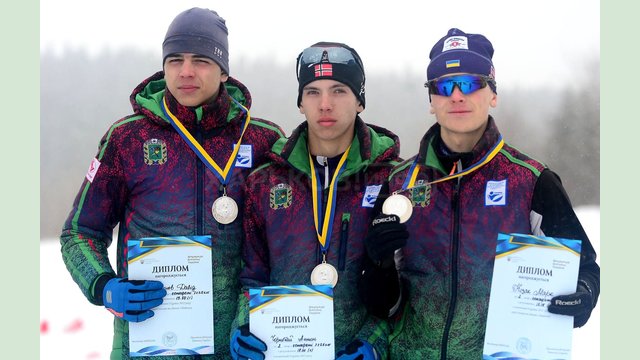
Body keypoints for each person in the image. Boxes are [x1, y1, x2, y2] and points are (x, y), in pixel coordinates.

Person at [359, 28, 600, 359]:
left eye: (471, 83)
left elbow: (584, 267)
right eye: (443, 86)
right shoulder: (399, 184)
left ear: (493, 94)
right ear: (431, 101)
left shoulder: (531, 180)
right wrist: (377, 263)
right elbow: (381, 303)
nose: (457, 96)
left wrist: (583, 292)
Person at [59, 7, 284, 360]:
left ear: (224, 70)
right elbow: (79, 232)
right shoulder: (128, 139)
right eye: (175, 59)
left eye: (201, 60)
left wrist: (263, 318)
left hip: (238, 346)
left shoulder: (261, 140)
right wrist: (104, 285)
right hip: (147, 345)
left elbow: (283, 245)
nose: (186, 72)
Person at [229, 42, 405, 360]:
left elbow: (412, 283)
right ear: (300, 102)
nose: (325, 104)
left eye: (339, 91)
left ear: (360, 101)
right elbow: (251, 272)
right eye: (312, 92)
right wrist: (243, 325)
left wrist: (375, 342)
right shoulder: (264, 181)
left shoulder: (394, 179)